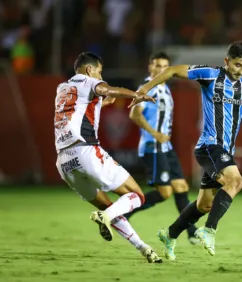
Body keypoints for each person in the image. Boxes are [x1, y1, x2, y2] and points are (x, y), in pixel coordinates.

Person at [130, 40, 242, 260]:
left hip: (224, 151)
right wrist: (143, 89)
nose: (240, 71)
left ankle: (170, 234)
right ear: (226, 61)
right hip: (209, 146)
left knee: (204, 204)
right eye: (236, 65)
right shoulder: (210, 75)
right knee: (236, 181)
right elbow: (173, 70)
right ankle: (209, 230)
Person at [55, 52, 162, 263]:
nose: (99, 75)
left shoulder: (62, 88)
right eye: (99, 72)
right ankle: (107, 217)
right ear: (89, 70)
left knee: (108, 208)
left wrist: (100, 103)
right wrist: (135, 94)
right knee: (137, 196)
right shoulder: (89, 81)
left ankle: (144, 248)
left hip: (64, 162)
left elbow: (77, 110)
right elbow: (106, 89)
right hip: (85, 152)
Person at [125, 52, 199, 244]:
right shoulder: (148, 88)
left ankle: (192, 233)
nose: (160, 70)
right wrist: (154, 133)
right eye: (157, 66)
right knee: (165, 192)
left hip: (166, 147)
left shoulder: (165, 89)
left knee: (181, 187)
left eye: (164, 67)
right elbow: (134, 114)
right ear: (150, 67)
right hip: (153, 146)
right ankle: (124, 211)